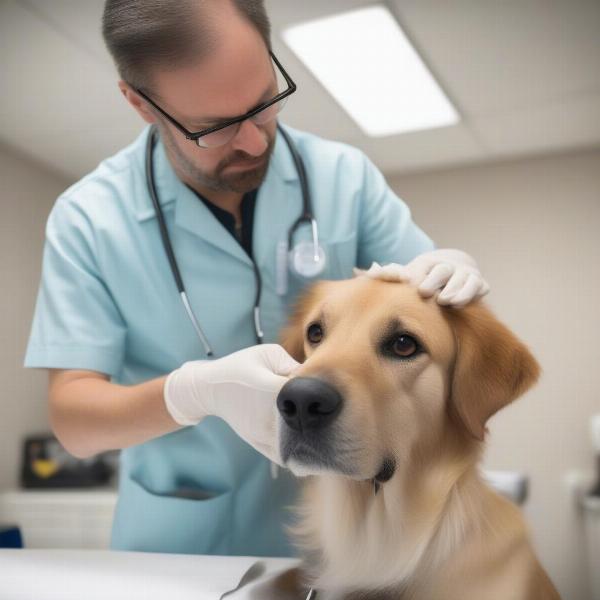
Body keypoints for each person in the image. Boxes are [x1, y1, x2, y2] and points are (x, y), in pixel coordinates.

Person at [24, 0, 489, 557]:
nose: (254, 141)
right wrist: (195, 392)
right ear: (138, 102)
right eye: (213, 128)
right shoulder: (88, 220)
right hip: (177, 548)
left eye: (266, 102)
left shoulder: (343, 177)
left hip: (338, 534)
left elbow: (433, 319)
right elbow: (74, 422)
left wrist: (447, 275)